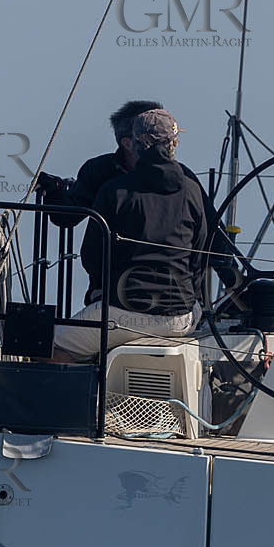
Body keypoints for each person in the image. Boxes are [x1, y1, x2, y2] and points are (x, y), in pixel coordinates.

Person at [37, 99, 233, 305]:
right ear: (128, 142)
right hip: (116, 294)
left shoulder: (186, 180)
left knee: (59, 338)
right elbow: (69, 218)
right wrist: (54, 191)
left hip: (175, 300)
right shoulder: (101, 172)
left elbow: (212, 236)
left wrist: (234, 287)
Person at [52, 109, 208, 361]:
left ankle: (86, 398)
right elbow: (200, 254)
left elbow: (92, 256)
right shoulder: (192, 190)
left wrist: (103, 292)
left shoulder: (115, 191)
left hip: (126, 313)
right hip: (182, 316)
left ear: (135, 144)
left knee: (46, 345)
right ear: (174, 144)